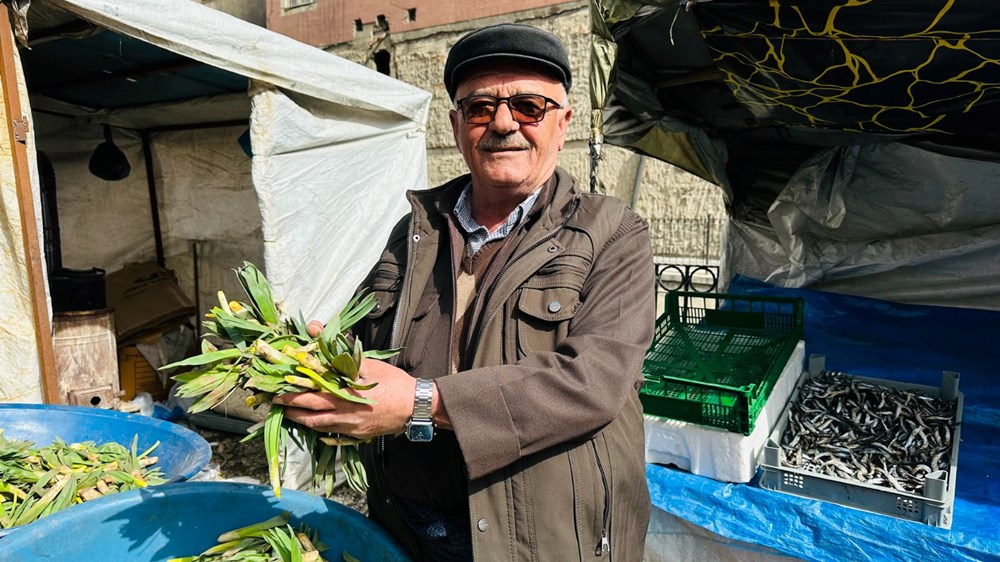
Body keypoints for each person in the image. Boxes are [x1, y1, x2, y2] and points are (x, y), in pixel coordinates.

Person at [275, 23, 654, 561]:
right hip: (410, 527)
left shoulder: (612, 233)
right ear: (457, 126)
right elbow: (364, 341)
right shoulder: (416, 229)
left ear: (563, 123)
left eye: (528, 106)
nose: (503, 123)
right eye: (480, 108)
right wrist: (309, 361)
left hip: (539, 542)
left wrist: (421, 403)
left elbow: (592, 382)